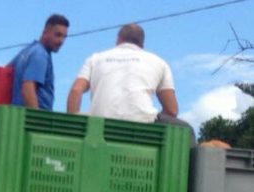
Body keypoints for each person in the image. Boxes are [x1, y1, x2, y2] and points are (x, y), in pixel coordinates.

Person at [66, 23, 195, 140]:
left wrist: (74, 127)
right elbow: (172, 110)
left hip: (99, 125)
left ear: (118, 39)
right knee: (187, 131)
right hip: (142, 125)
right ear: (142, 45)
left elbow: (76, 90)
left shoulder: (95, 59)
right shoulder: (159, 62)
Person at [10, 14, 69, 110]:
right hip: (32, 118)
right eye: (58, 35)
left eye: (64, 37)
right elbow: (28, 88)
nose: (61, 41)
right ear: (45, 31)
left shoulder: (26, 52)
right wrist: (36, 119)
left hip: (17, 115)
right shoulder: (40, 54)